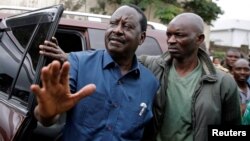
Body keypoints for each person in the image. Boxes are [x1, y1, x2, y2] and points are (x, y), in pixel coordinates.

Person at [31, 4, 159, 141]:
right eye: (113, 23)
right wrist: (47, 114)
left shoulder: (150, 83)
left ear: (142, 37)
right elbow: (49, 116)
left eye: (127, 26)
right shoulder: (78, 63)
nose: (117, 30)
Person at [139, 13, 241, 141]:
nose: (171, 40)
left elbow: (234, 132)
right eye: (169, 35)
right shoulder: (150, 66)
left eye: (179, 35)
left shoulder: (223, 82)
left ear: (199, 39)